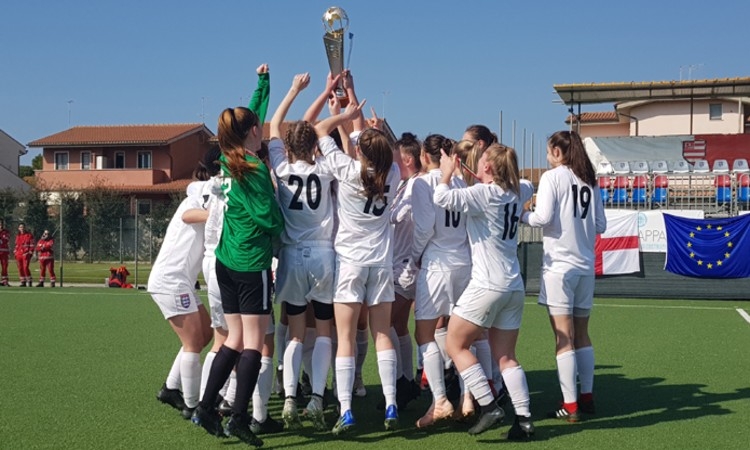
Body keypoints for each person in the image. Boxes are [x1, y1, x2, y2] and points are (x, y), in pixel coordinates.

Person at [192, 106, 284, 448]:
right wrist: (282, 218)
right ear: (255, 132)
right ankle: (239, 418)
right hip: (250, 262)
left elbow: (245, 117)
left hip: (225, 261)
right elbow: (268, 219)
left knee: (233, 339)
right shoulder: (254, 167)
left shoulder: (228, 160)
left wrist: (262, 84)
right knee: (255, 345)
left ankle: (205, 408)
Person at [314, 75, 402, 435]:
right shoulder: (393, 172)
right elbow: (371, 142)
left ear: (361, 150)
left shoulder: (349, 170)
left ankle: (346, 409)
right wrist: (352, 96)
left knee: (346, 338)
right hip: (381, 264)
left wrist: (341, 113)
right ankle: (391, 403)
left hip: (350, 263)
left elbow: (320, 129)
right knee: (382, 335)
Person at [436, 143, 536, 439]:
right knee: (507, 356)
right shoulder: (519, 191)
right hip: (513, 286)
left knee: (455, 345)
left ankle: (489, 404)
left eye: (481, 162)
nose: (477, 165)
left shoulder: (483, 193)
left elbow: (442, 198)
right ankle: (525, 420)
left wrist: (445, 174)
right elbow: (526, 185)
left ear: (489, 168)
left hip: (487, 284)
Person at [266, 72, 337, 431]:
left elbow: (275, 123)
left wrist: (294, 89)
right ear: (314, 147)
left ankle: (290, 397)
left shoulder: (280, 164)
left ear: (288, 146)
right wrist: (333, 99)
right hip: (324, 255)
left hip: (292, 255)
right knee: (323, 330)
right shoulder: (325, 167)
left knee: (295, 332)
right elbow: (317, 132)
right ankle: (317, 398)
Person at [520, 130, 606, 422]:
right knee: (581, 334)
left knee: (562, 337)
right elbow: (601, 224)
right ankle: (588, 396)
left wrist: (523, 213)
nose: (547, 156)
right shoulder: (590, 181)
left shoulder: (552, 177)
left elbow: (542, 219)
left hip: (558, 267)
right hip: (585, 266)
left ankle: (570, 406)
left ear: (558, 151)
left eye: (548, 151)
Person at [411, 134, 472, 428]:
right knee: (462, 336)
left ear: (425, 155)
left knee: (424, 333)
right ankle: (468, 396)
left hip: (437, 263)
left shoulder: (423, 183)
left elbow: (423, 227)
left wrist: (414, 256)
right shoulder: (459, 182)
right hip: (464, 263)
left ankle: (440, 401)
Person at [149, 159, 213, 421]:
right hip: (171, 279)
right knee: (192, 342)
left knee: (206, 333)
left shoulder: (205, 191)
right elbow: (192, 209)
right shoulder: (202, 192)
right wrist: (220, 213)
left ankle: (171, 387)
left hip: (179, 279)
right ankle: (191, 404)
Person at [387, 132, 423, 410]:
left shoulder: (416, 187)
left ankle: (403, 381)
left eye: (397, 158)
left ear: (407, 160)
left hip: (407, 266)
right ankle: (407, 381)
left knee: (386, 324)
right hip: (401, 263)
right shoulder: (405, 184)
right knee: (397, 326)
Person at [14, 223, 34, 287]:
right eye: (20, 227)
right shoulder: (18, 236)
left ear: (25, 228)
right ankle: (23, 281)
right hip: (19, 254)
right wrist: (15, 252)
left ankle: (29, 280)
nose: (22, 228)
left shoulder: (29, 235)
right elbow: (16, 245)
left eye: (23, 227)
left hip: (26, 254)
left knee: (25, 267)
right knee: (20, 268)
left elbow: (32, 244)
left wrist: (30, 251)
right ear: (18, 228)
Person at [0, 219, 10, 286]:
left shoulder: (6, 232)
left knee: (4, 266)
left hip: (4, 252)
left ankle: (5, 281)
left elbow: (6, 239)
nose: (0, 226)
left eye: (1, 224)